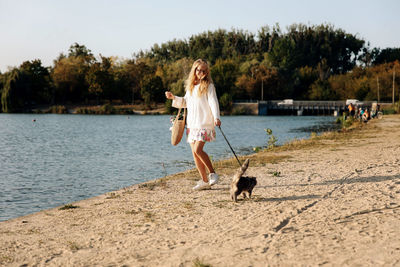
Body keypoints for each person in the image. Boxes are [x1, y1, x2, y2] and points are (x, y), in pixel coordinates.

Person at [165, 59, 221, 191]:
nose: (201, 72)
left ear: (207, 72)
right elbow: (185, 103)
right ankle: (204, 181)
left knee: (198, 150)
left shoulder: (209, 86)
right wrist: (174, 98)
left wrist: (217, 117)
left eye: (203, 70)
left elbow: (214, 102)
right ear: (194, 70)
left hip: (204, 123)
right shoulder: (190, 87)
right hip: (192, 124)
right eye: (198, 70)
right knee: (195, 154)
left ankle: (213, 174)